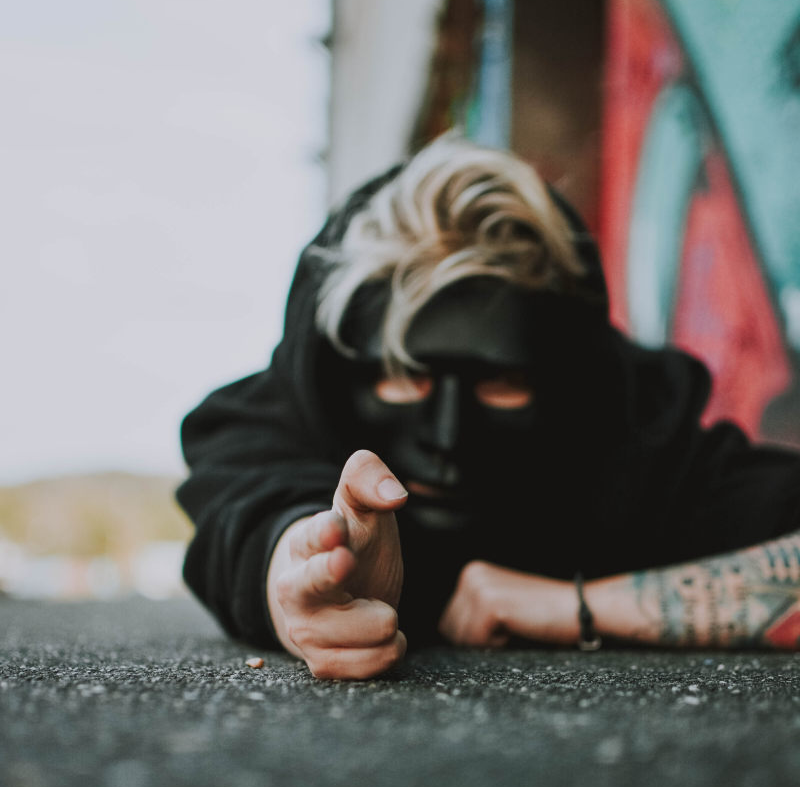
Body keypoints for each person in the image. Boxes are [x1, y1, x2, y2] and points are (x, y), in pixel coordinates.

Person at [177, 134, 800, 679]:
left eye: (502, 382)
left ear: (561, 375)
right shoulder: (289, 415)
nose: (448, 437)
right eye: (403, 376)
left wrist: (576, 607)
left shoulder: (632, 434)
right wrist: (304, 584)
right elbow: (252, 514)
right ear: (339, 373)